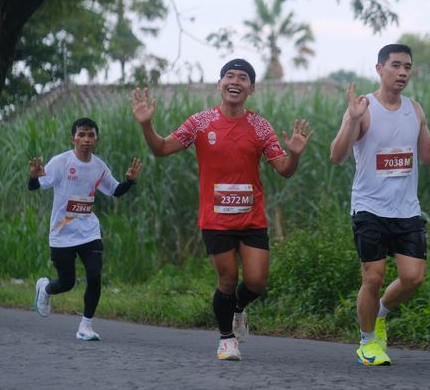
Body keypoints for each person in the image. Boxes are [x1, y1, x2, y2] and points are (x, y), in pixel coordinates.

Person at [130, 58, 312, 361]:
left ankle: (238, 308)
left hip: (251, 218)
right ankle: (226, 339)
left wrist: (294, 155)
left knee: (256, 282)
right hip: (216, 219)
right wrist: (146, 124)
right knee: (226, 279)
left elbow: (284, 170)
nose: (235, 82)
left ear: (251, 88)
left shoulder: (260, 126)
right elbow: (161, 149)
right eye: (230, 76)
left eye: (243, 78)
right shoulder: (200, 122)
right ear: (219, 84)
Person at [330, 44, 430, 366]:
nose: (403, 72)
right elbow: (336, 156)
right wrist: (352, 121)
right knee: (373, 277)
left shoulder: (415, 110)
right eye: (395, 65)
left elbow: (428, 156)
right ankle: (367, 343)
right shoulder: (363, 108)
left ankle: (379, 313)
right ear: (380, 69)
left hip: (406, 209)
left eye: (407, 66)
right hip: (369, 207)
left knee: (413, 278)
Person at [29, 117, 140, 340]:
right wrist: (33, 177)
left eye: (91, 135)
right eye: (81, 135)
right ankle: (46, 289)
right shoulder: (60, 162)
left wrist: (130, 181)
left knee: (94, 275)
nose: (86, 140)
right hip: (61, 233)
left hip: (89, 231)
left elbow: (115, 190)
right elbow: (36, 186)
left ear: (97, 140)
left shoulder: (99, 167)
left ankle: (85, 326)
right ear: (73, 139)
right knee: (66, 282)